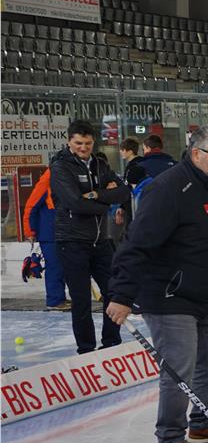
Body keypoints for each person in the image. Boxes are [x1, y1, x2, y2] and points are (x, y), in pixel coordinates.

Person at [106, 125, 208, 443]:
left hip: (207, 298)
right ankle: (169, 439)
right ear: (197, 154)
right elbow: (137, 243)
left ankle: (201, 423)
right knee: (179, 368)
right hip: (169, 296)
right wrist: (122, 294)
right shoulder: (169, 189)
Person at [50, 120, 131, 354]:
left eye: (87, 143)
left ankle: (111, 343)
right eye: (78, 143)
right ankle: (86, 349)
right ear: (69, 141)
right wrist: (106, 202)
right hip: (72, 241)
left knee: (113, 292)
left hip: (101, 240)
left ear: (93, 142)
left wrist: (95, 195)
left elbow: (124, 192)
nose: (83, 148)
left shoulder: (100, 164)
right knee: (81, 299)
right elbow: (75, 203)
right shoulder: (61, 167)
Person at [21, 169, 70, 311]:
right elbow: (31, 206)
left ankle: (59, 298)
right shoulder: (48, 179)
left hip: (63, 231)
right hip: (49, 232)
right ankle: (55, 300)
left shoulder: (66, 176)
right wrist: (30, 231)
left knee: (63, 267)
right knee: (55, 267)